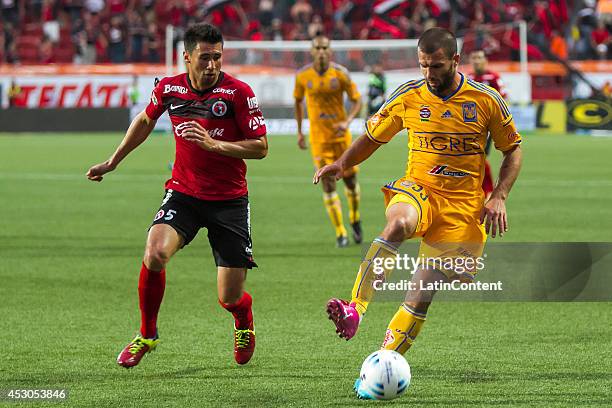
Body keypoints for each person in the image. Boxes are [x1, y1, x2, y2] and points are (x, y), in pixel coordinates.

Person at [315, 28, 522, 395]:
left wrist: (500, 195)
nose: (429, 73)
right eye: (424, 65)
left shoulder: (486, 100)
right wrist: (342, 164)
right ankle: (355, 309)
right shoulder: (409, 95)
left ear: (456, 61)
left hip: (463, 206)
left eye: (437, 65)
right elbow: (373, 137)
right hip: (419, 189)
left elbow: (513, 150)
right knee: (398, 222)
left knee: (421, 291)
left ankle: (378, 368)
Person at [86, 23, 268, 368]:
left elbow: (260, 148)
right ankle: (147, 335)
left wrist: (215, 144)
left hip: (229, 200)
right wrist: (113, 161)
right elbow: (144, 120)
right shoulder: (169, 89)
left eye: (217, 57)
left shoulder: (239, 93)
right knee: (155, 252)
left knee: (228, 298)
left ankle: (243, 318)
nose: (212, 65)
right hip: (184, 193)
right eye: (204, 57)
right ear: (187, 57)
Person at [294, 35, 363, 247]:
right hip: (319, 139)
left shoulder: (341, 74)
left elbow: (357, 100)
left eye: (325, 47)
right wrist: (299, 131)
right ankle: (341, 233)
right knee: (327, 183)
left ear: (329, 50)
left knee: (350, 181)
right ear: (312, 51)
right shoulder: (303, 76)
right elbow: (297, 101)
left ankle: (354, 218)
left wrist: (348, 121)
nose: (322, 51)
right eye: (318, 48)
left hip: (341, 138)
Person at [468, 50, 508, 200]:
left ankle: (488, 190)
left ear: (485, 60)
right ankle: (481, 190)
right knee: (474, 157)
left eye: (479, 58)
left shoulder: (493, 78)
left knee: (479, 156)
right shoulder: (468, 79)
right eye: (474, 58)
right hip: (469, 126)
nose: (477, 61)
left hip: (487, 125)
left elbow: (502, 100)